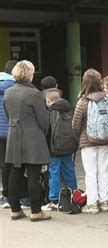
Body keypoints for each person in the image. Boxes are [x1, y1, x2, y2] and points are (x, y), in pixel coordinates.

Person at [4, 60, 51, 221]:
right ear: (30, 74)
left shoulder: (8, 92)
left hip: (14, 134)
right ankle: (36, 211)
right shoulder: (35, 94)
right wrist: (42, 134)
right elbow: (44, 120)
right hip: (32, 137)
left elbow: (7, 114)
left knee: (15, 172)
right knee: (33, 173)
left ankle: (15, 209)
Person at [72, 69, 108, 214]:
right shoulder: (107, 100)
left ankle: (92, 204)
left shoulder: (83, 101)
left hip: (87, 141)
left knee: (90, 173)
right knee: (104, 171)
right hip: (106, 141)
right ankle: (105, 201)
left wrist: (80, 137)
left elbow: (76, 124)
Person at [41, 89, 78, 211]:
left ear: (49, 100)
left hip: (54, 148)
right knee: (69, 171)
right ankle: (73, 195)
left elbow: (47, 131)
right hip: (69, 147)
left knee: (54, 173)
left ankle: (55, 200)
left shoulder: (50, 113)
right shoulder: (69, 110)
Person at [0, 60, 17, 209]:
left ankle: (4, 196)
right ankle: (9, 195)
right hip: (9, 131)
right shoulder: (15, 87)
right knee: (10, 164)